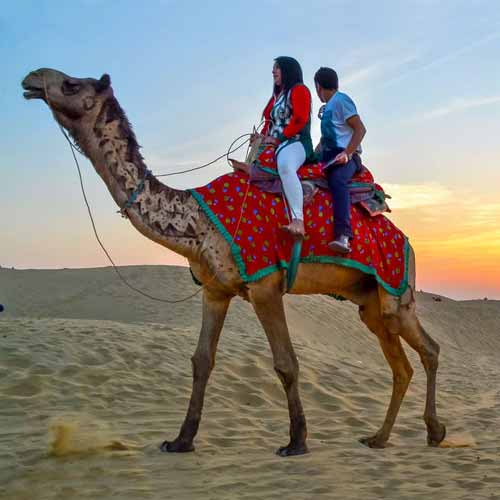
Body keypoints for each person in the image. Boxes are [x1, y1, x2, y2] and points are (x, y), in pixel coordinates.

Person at [232, 57, 314, 237]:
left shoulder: (299, 90)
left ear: (288, 70)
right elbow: (269, 123)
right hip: (275, 144)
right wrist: (260, 137)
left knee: (285, 166)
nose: (273, 71)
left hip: (295, 142)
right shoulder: (276, 98)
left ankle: (298, 220)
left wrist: (278, 139)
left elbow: (300, 119)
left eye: (277, 68)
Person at [314, 67, 366, 254]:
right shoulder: (328, 107)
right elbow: (327, 138)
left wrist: (347, 153)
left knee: (337, 180)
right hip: (327, 156)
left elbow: (360, 129)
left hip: (346, 158)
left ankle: (343, 236)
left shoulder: (341, 101)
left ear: (318, 86)